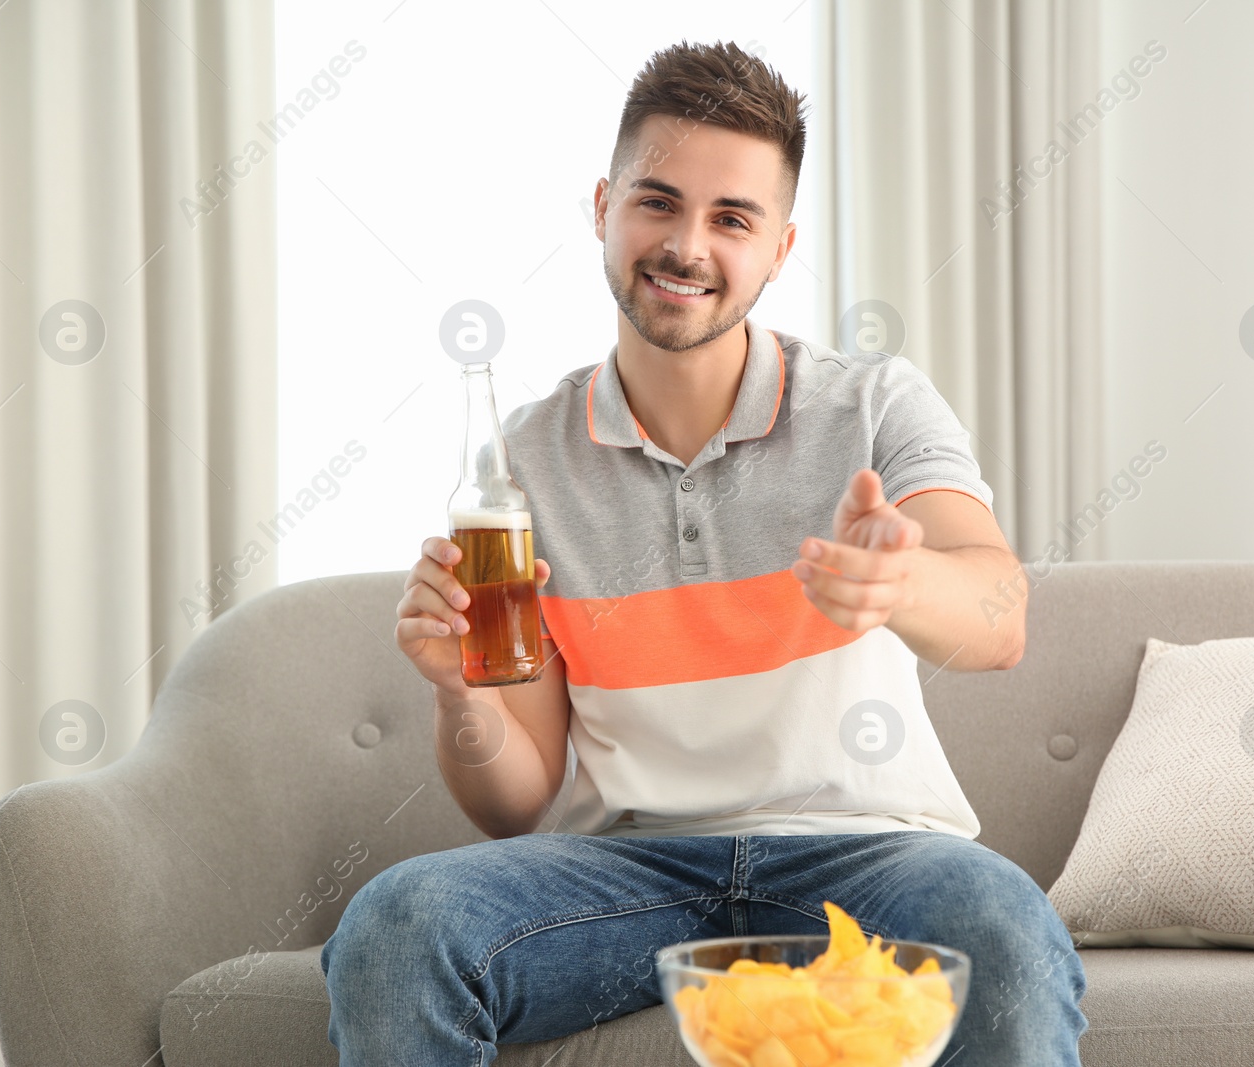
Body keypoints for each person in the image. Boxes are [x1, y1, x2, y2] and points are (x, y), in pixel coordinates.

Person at [322, 38, 1088, 1066]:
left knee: (999, 922)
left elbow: (998, 621)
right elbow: (519, 799)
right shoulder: (524, 463)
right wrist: (460, 694)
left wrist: (897, 581)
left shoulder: (874, 406)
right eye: (657, 201)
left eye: (732, 219)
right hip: (622, 876)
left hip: (864, 859)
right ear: (602, 207)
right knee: (395, 921)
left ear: (779, 247)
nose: (686, 244)